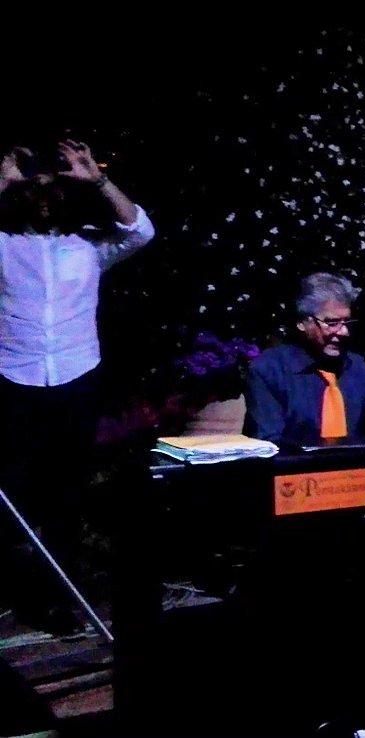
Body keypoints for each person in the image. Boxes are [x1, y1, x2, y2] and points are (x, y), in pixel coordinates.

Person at [0, 140, 156, 634]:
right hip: (15, 380)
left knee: (65, 496)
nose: (43, 200)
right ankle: (13, 587)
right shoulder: (4, 244)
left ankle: (57, 600)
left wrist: (99, 179)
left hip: (77, 379)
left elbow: (140, 230)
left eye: (52, 191)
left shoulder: (89, 246)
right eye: (34, 190)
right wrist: (3, 182)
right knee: (11, 494)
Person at [243, 271, 365, 444]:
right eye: (332, 322)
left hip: (355, 469)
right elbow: (269, 442)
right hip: (297, 469)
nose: (343, 332)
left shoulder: (357, 368)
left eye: (347, 322)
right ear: (302, 323)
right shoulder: (269, 370)